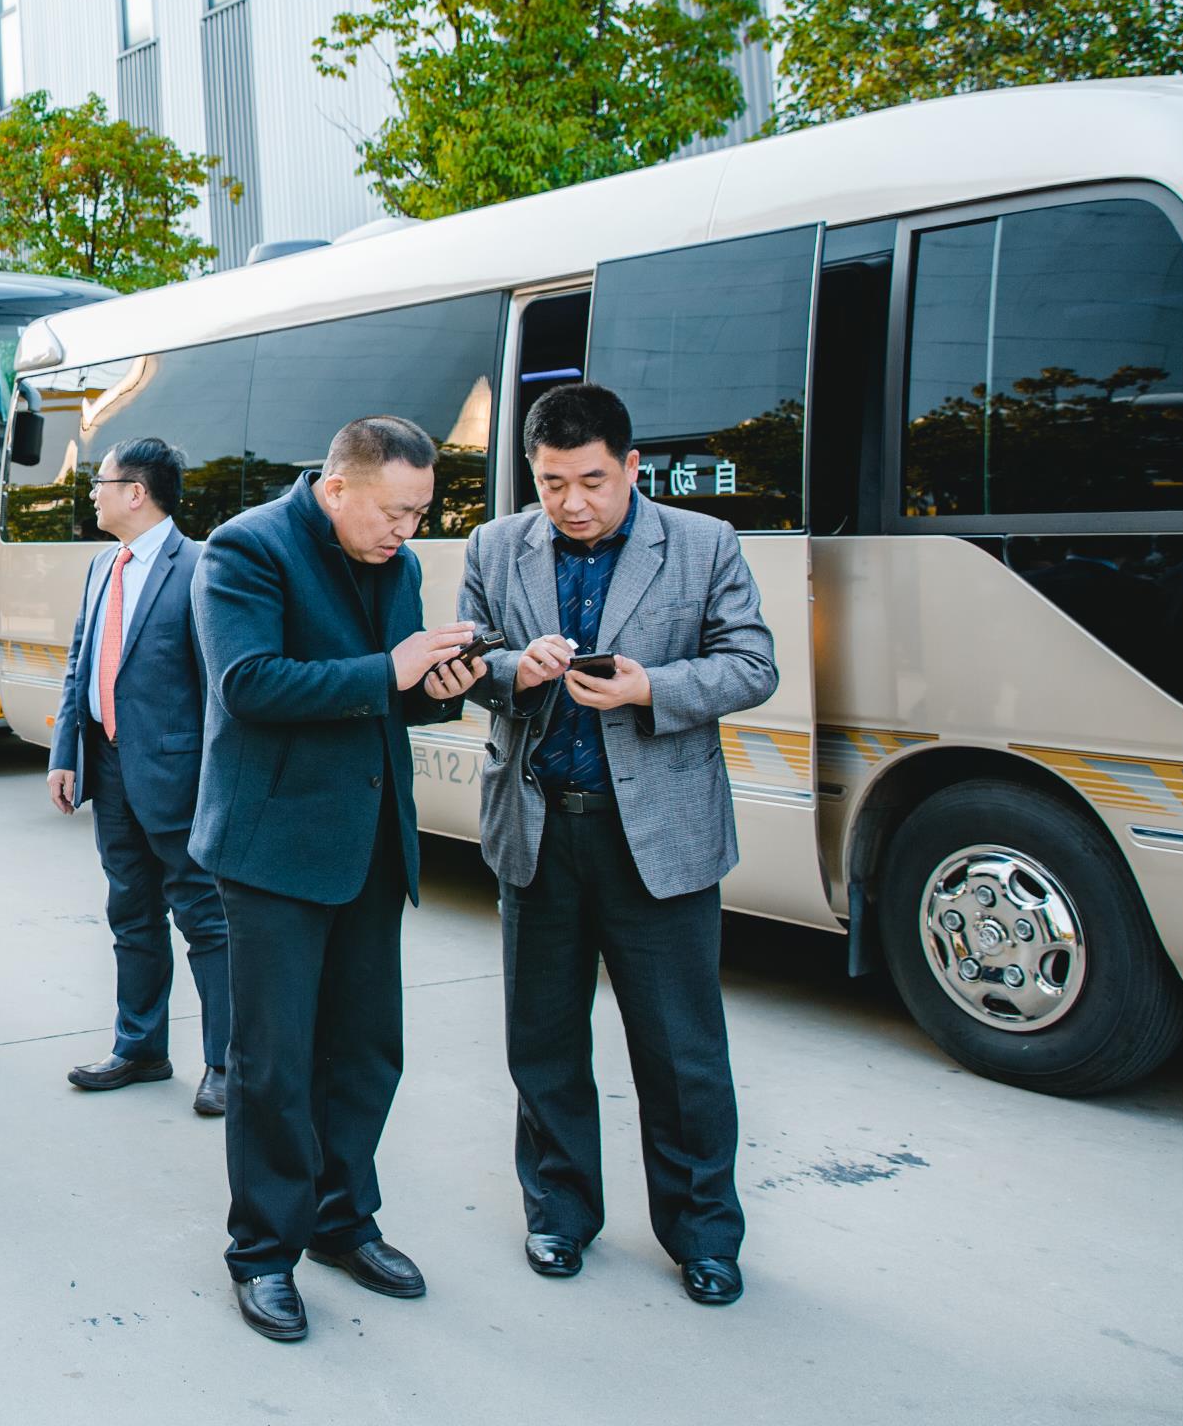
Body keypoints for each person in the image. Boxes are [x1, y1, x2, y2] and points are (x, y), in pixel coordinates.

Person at [456, 383, 777, 1309]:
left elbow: (752, 664)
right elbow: (472, 660)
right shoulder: (494, 545)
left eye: (592, 481)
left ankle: (703, 1234)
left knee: (682, 1053)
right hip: (538, 830)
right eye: (552, 483)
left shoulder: (704, 543)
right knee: (543, 1041)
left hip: (660, 837)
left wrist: (649, 689)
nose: (572, 503)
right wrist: (516, 670)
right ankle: (559, 1212)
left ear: (632, 467)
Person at [190, 416, 487, 1343]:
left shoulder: (398, 564)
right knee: (274, 1065)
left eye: (420, 514)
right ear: (336, 488)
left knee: (365, 1053)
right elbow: (248, 684)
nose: (407, 530)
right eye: (395, 511)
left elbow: (388, 696)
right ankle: (261, 1253)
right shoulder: (246, 549)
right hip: (274, 845)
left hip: (370, 842)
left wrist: (436, 689)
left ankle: (342, 1222)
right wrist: (388, 671)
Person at [46, 438, 229, 1118]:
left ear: (137, 492)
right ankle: (141, 1048)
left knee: (204, 918)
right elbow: (81, 662)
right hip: (109, 765)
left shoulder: (201, 566)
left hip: (179, 776)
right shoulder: (104, 564)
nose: (92, 493)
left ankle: (227, 1062)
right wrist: (65, 753)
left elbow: (216, 686)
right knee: (131, 913)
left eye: (102, 481)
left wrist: (215, 781)